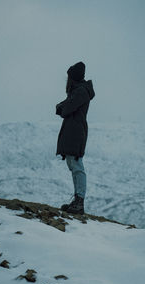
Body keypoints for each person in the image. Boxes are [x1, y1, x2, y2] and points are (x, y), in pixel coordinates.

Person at [56, 61, 95, 214]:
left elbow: (65, 109)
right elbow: (63, 106)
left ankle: (79, 202)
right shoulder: (77, 91)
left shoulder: (80, 92)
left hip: (76, 132)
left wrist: (62, 107)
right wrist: (63, 106)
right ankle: (77, 201)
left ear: (73, 77)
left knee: (77, 167)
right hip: (72, 131)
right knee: (73, 165)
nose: (67, 81)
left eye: (69, 77)